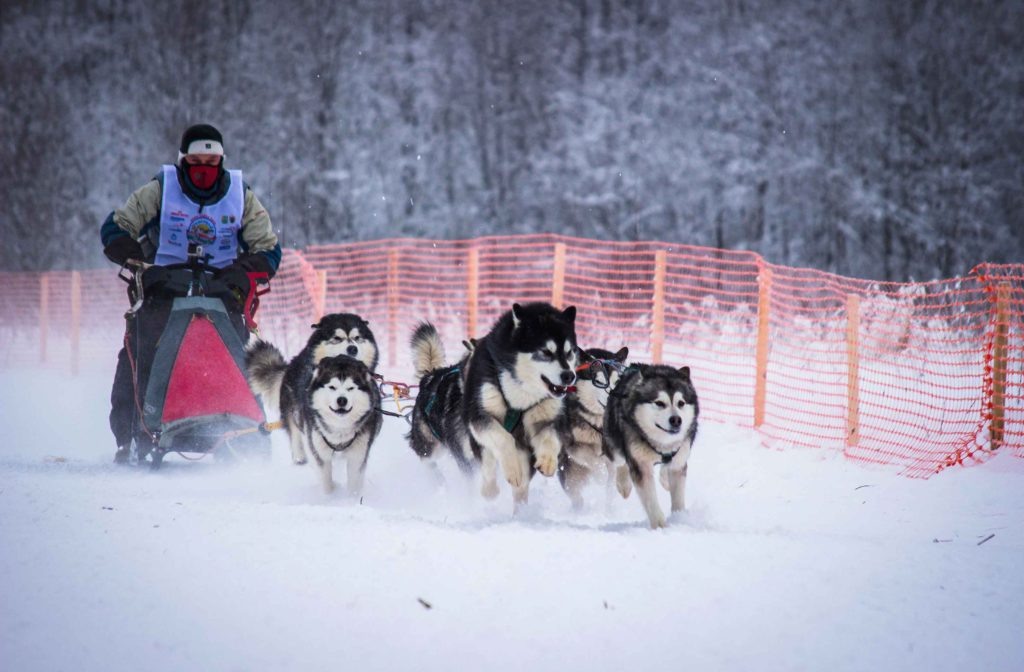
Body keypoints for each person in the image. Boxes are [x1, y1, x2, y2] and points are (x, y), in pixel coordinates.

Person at [100, 123, 282, 463]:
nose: (204, 169)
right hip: (163, 289)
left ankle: (243, 428)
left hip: (222, 291)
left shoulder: (240, 194)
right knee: (139, 352)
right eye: (196, 160)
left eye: (211, 163)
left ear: (222, 162)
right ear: (184, 160)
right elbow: (116, 228)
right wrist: (142, 265)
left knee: (237, 356)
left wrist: (242, 274)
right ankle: (134, 431)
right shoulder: (161, 188)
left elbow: (268, 249)